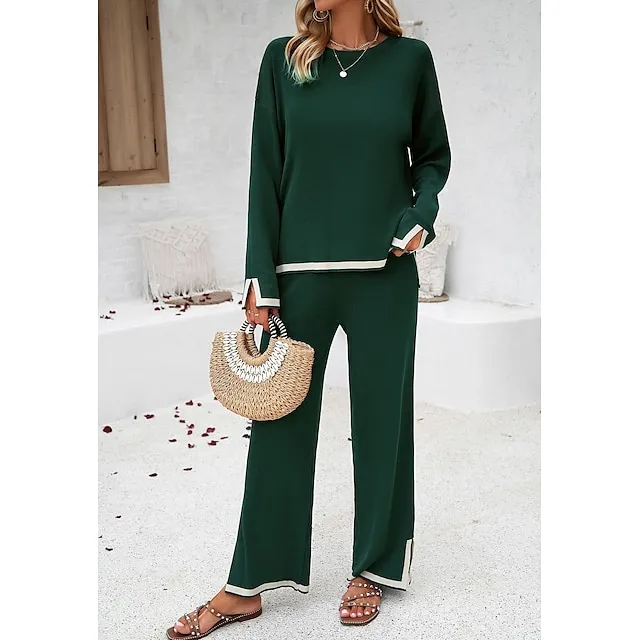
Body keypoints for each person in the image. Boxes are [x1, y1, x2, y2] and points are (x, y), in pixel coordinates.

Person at [167, 0, 450, 635]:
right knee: (279, 429)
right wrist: (260, 279)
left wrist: (421, 215)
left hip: (383, 273)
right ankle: (248, 583)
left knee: (382, 425)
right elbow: (264, 170)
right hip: (297, 279)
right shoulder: (284, 61)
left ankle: (373, 567)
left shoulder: (410, 61)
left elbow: (433, 157)